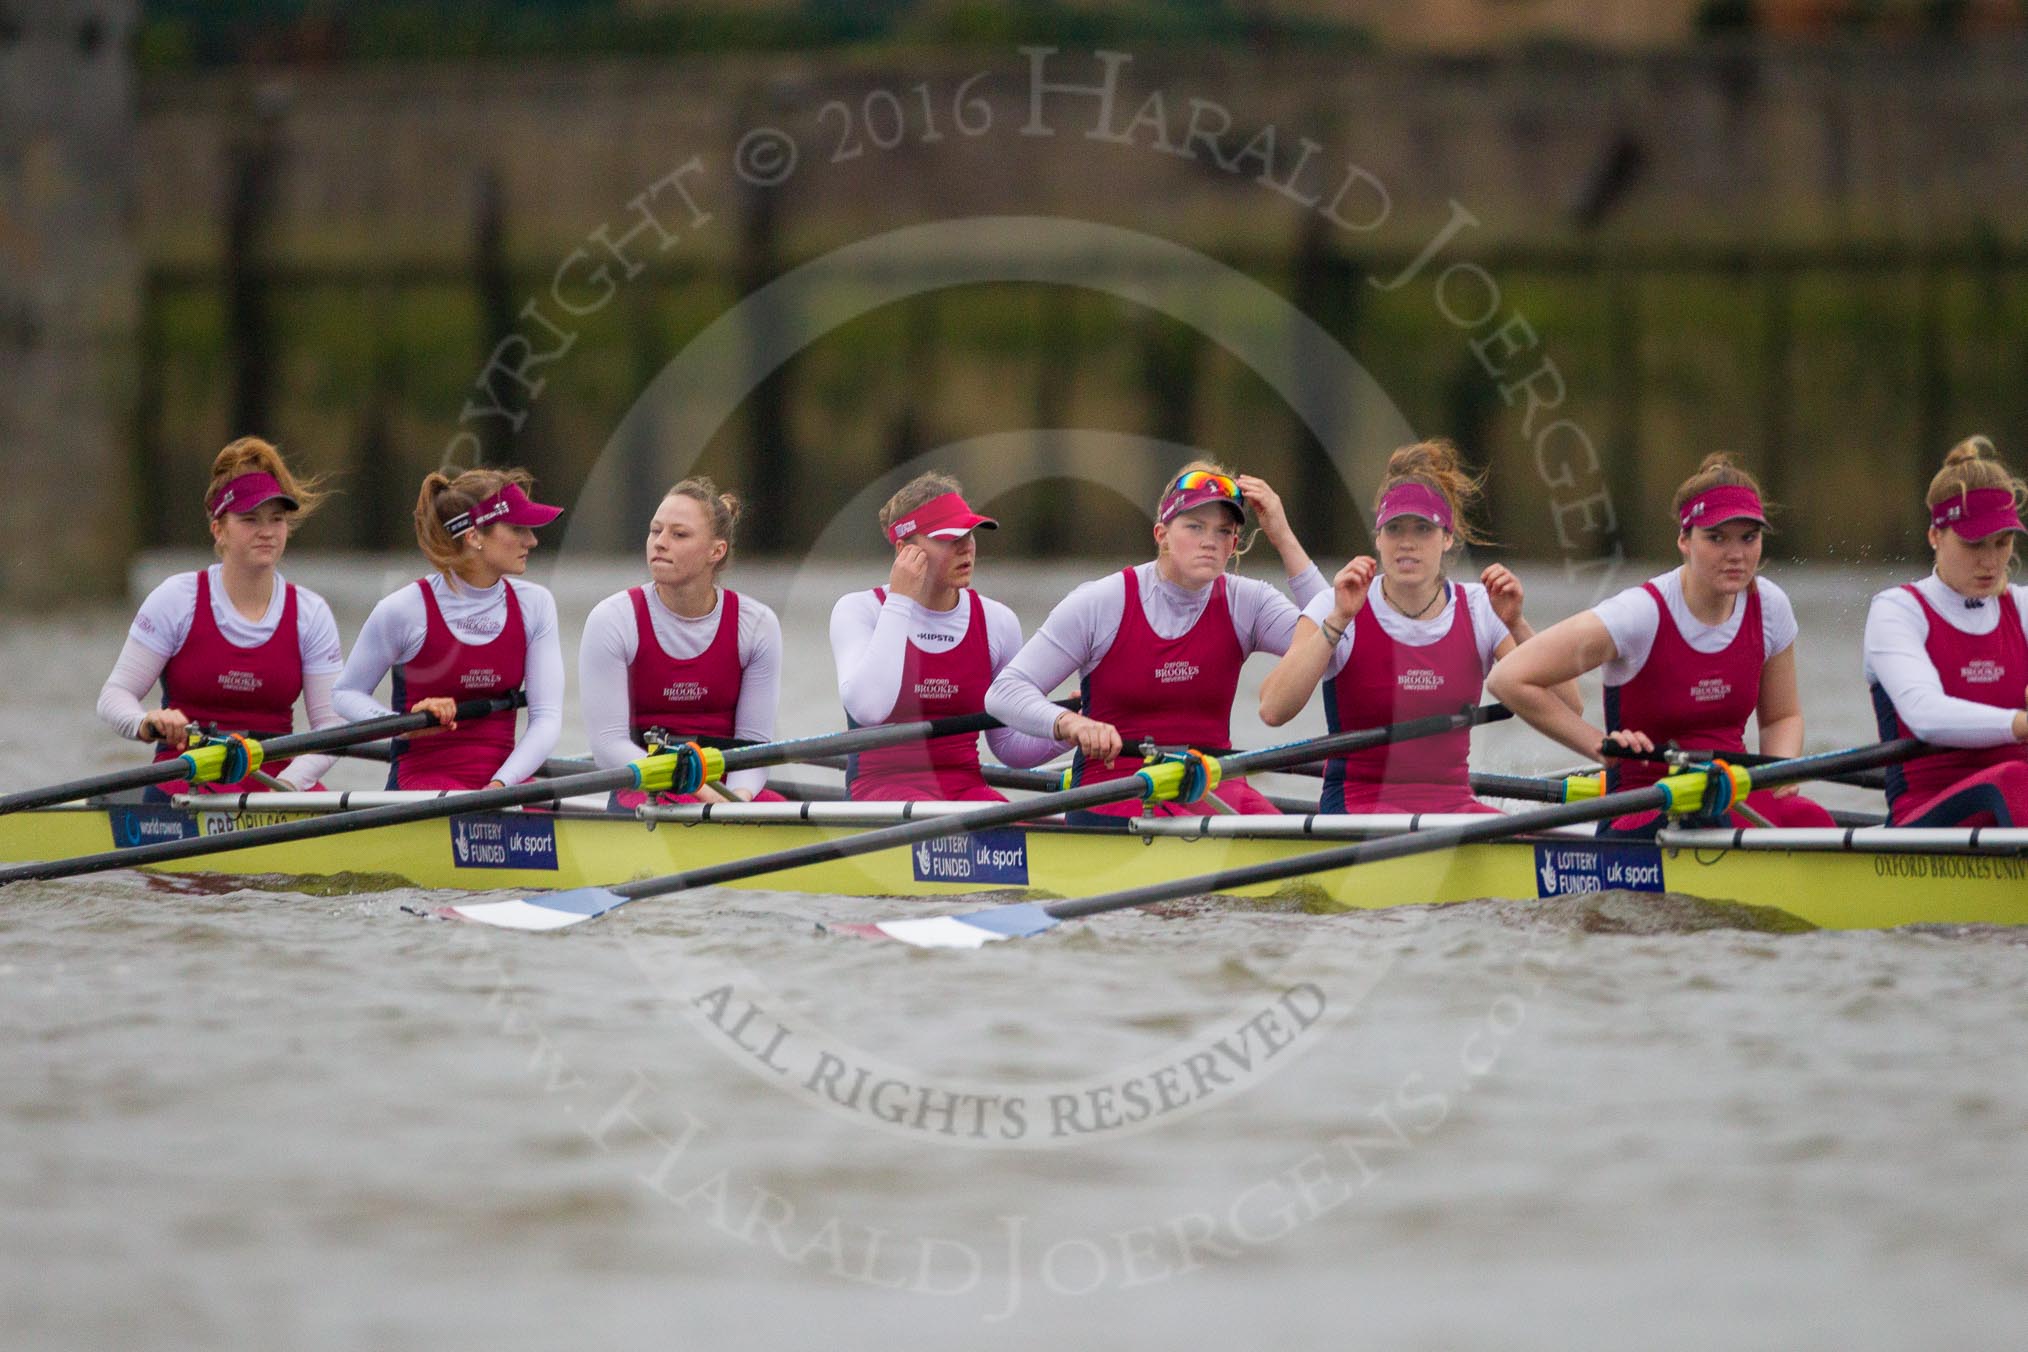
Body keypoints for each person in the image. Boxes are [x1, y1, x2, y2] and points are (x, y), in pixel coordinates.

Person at [1486, 452, 1835, 834]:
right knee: (1705, 819)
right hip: (1643, 804)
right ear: (1685, 540)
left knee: (1810, 818)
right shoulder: (1639, 614)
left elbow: (1783, 716)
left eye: (1748, 538)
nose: (1736, 555)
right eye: (1716, 538)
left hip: (1728, 796)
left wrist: (1778, 772)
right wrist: (1598, 745)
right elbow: (1508, 678)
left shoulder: (1770, 607)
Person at [986, 463, 1327, 824]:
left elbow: (1337, 645)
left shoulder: (1250, 602)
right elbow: (1004, 692)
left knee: (1305, 849)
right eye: (1194, 526)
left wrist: (1284, 538)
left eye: (1224, 531)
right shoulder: (1102, 602)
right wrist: (1071, 724)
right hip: (1116, 791)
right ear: (1161, 534)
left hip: (1211, 789)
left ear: (1232, 545)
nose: (1210, 540)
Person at [1259, 440, 1578, 813]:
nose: (1407, 543)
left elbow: (1569, 709)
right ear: (1378, 538)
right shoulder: (1339, 602)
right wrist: (1339, 621)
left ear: (1446, 538)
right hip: (1359, 807)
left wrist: (1517, 623)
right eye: (1394, 529)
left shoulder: (1482, 608)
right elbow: (1272, 710)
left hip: (1452, 804)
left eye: (1422, 530)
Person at [97, 437, 346, 800]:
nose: (266, 531)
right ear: (219, 529)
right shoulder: (176, 600)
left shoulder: (311, 613)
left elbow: (332, 727)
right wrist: (147, 722)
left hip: (273, 782)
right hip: (186, 776)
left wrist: (289, 786)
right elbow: (114, 695)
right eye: (249, 519)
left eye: (276, 519)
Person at [829, 474, 1062, 800]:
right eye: (948, 537)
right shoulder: (859, 611)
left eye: (969, 534)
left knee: (1036, 833)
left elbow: (1009, 746)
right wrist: (900, 601)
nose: (966, 546)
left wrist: (1072, 725)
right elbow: (869, 709)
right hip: (881, 793)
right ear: (904, 549)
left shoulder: (998, 622)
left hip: (965, 791)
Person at [334, 467, 564, 790]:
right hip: (421, 788)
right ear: (473, 536)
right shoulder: (405, 610)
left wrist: (501, 784)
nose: (532, 540)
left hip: (505, 785)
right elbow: (345, 694)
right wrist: (400, 725)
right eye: (517, 527)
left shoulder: (535, 605)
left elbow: (547, 719)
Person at [580, 478, 786, 808]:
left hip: (729, 790)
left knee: (777, 809)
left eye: (679, 535)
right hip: (647, 786)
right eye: (655, 530)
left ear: (716, 551)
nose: (659, 543)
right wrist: (701, 792)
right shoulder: (613, 619)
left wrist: (739, 801)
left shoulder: (757, 624)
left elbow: (755, 747)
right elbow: (608, 746)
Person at [1863, 436, 2028, 826]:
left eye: (2001, 542)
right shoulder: (1898, 610)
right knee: (2014, 779)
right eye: (1973, 544)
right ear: (1935, 535)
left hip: (2014, 809)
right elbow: (1925, 714)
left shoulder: (2022, 607)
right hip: (1928, 814)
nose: (1990, 561)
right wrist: (2020, 723)